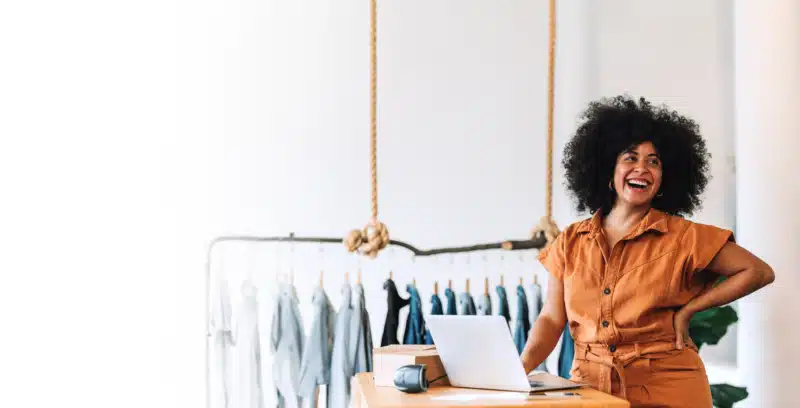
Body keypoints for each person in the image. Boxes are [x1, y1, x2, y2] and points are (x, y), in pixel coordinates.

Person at [519, 95, 775, 407]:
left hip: (668, 388)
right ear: (607, 170)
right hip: (591, 389)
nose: (642, 168)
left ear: (665, 178)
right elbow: (551, 318)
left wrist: (691, 309)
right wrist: (520, 369)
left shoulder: (684, 237)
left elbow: (758, 271)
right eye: (630, 158)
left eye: (653, 161)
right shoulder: (571, 240)